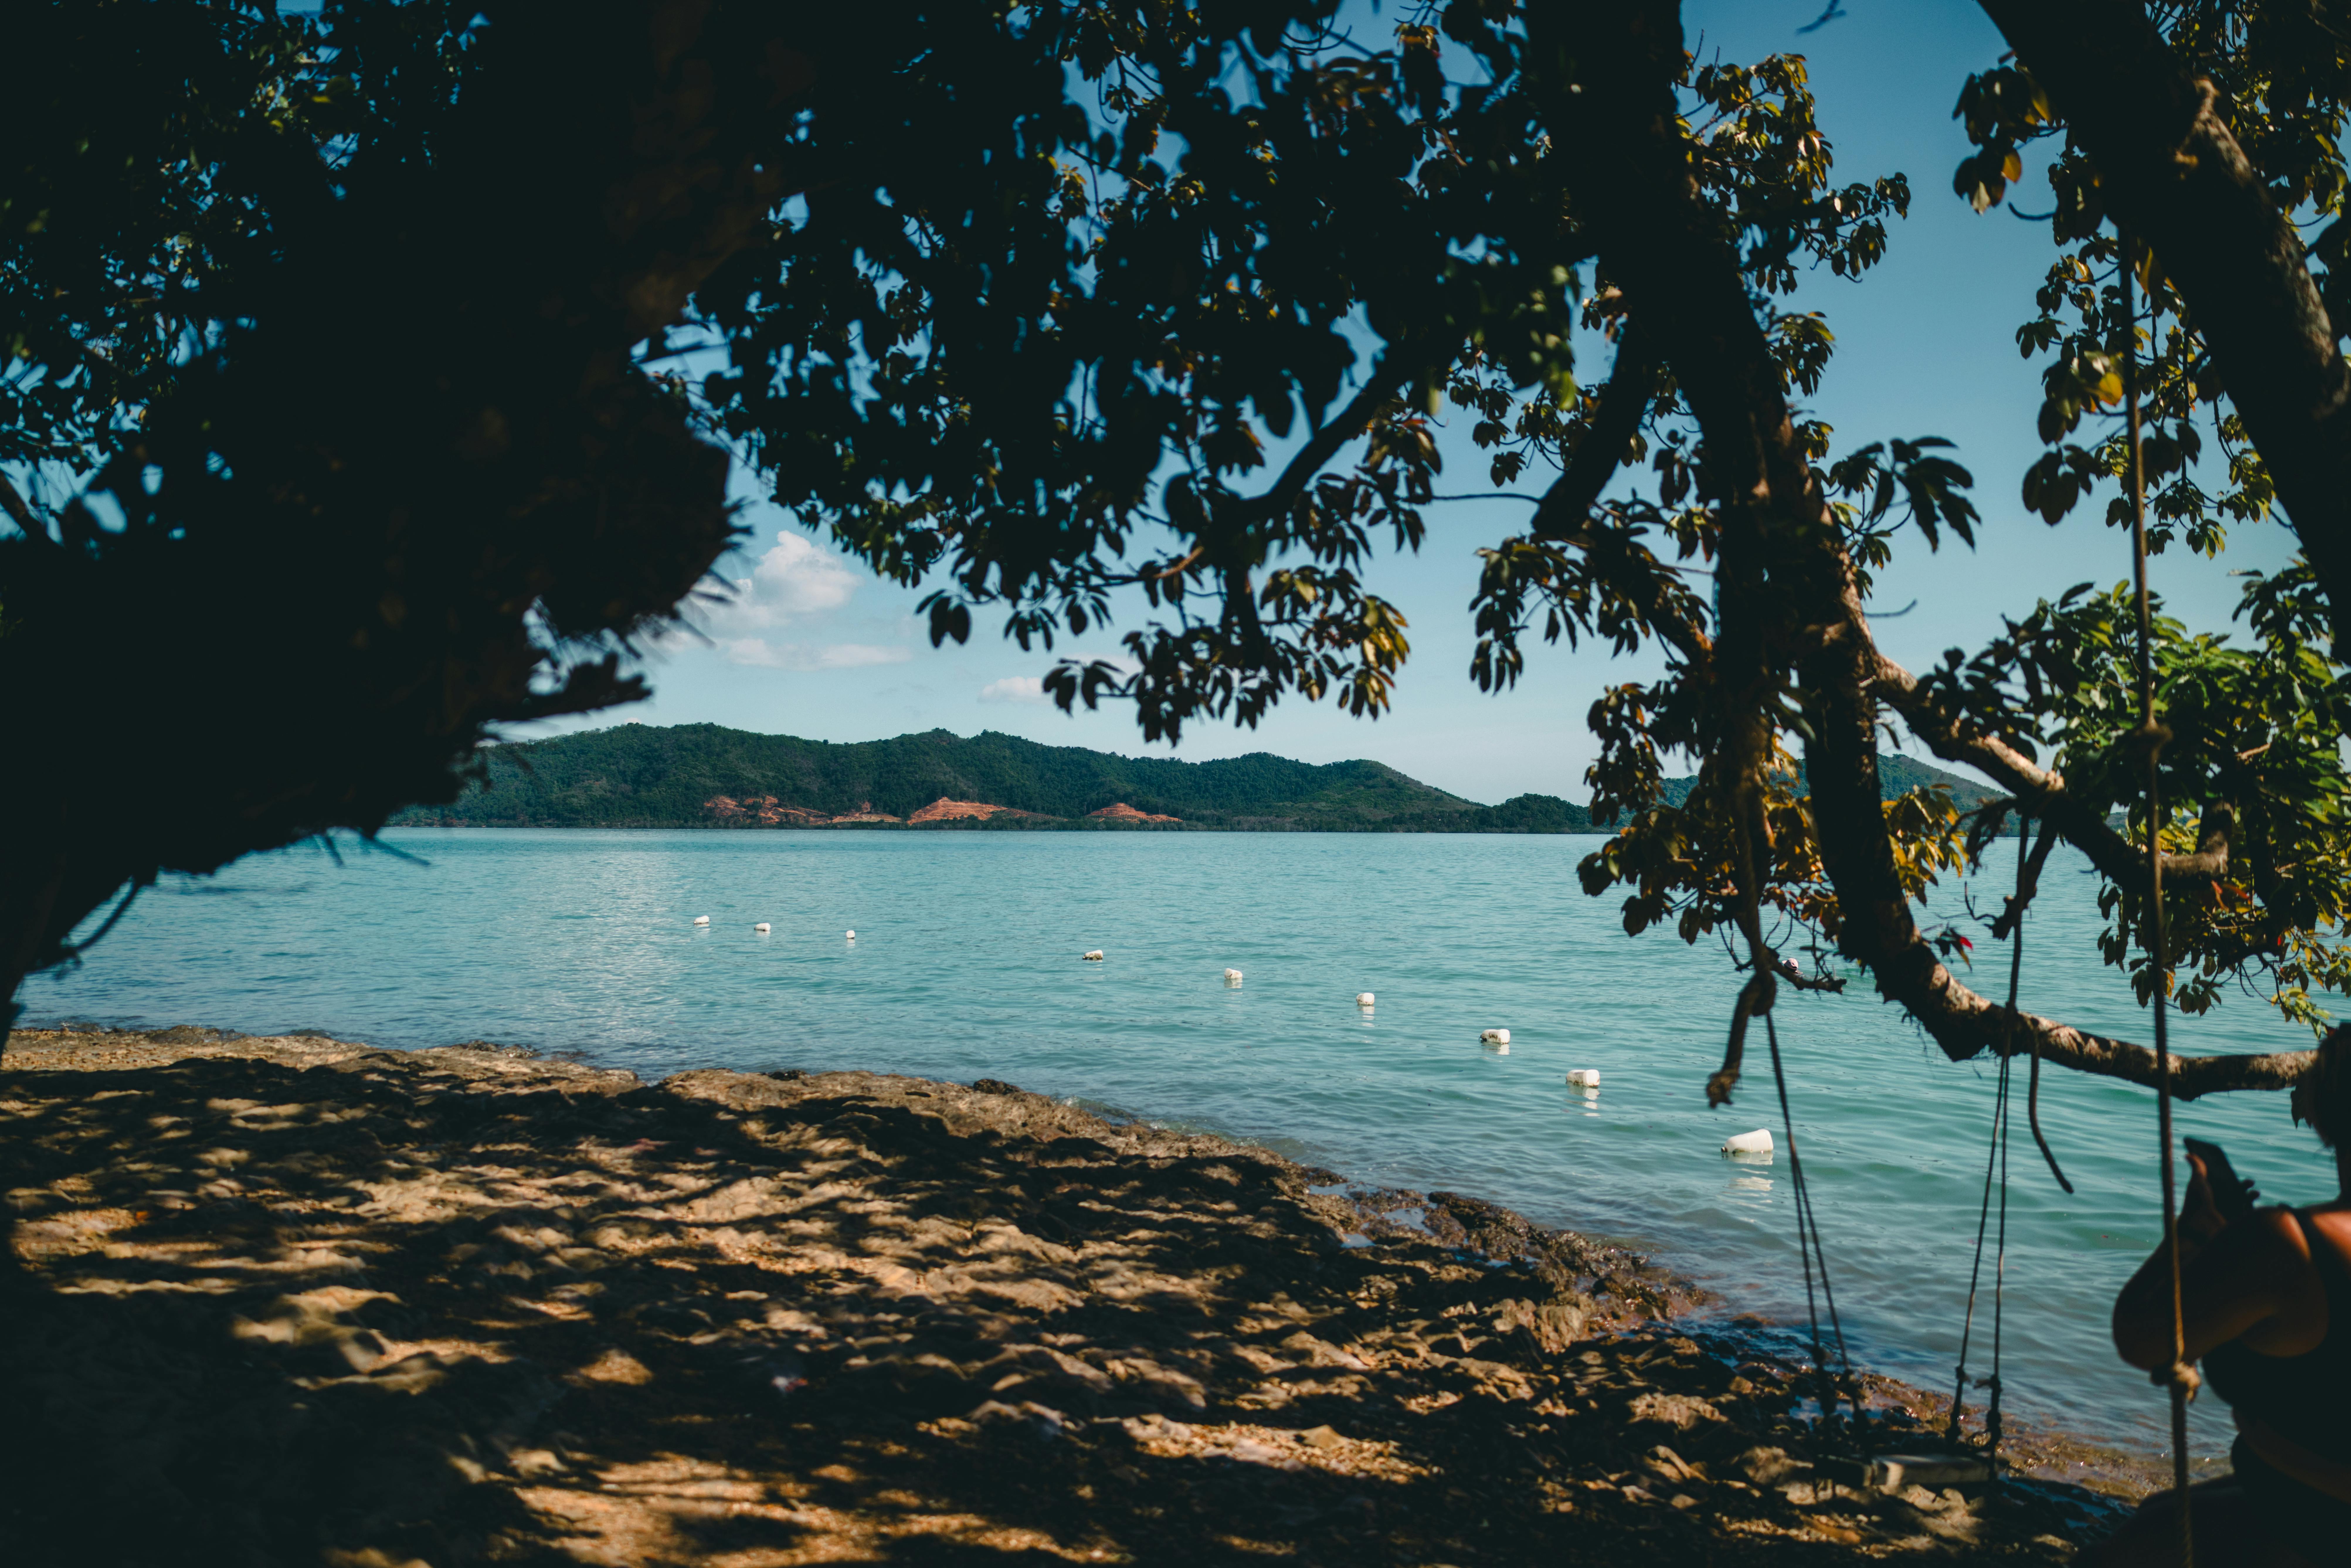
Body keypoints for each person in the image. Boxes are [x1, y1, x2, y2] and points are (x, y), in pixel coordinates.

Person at [2090, 1026, 2351, 1567]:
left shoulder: (2289, 1246)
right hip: (2316, 1501)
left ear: (2326, 1117)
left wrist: (2191, 1235)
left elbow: (2142, 1335)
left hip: (2320, 1532)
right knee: (2161, 1507)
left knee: (2128, 1550)